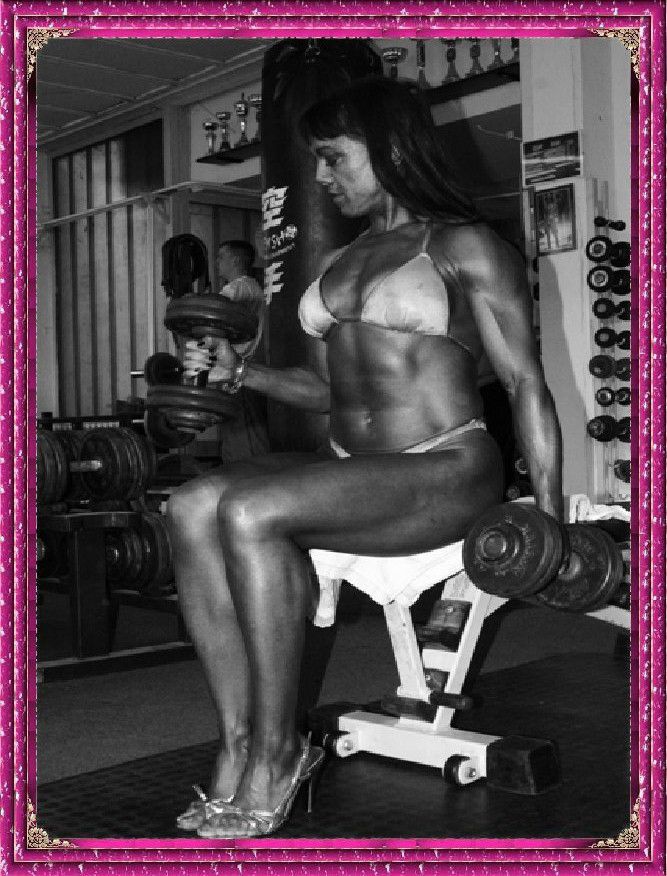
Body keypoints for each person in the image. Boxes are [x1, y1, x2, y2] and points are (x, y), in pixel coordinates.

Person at [166, 77, 563, 839]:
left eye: (333, 157)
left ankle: (280, 751)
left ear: (388, 150)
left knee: (250, 510)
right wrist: (241, 373)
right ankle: (238, 743)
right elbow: (324, 393)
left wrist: (546, 517)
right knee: (189, 505)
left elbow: (523, 383)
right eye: (316, 160)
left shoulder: (464, 245)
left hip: (446, 466)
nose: (320, 176)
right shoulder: (342, 259)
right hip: (357, 464)